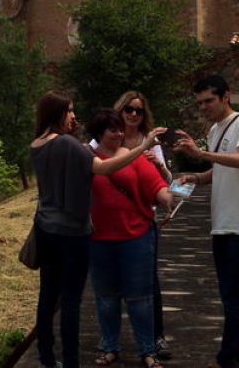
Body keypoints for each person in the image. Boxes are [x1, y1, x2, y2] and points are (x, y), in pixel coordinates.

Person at [30, 91, 156, 368]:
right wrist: (142, 147)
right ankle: (72, 361)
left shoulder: (36, 144)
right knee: (71, 300)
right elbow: (104, 167)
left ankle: (47, 358)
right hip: (71, 232)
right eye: (70, 111)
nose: (74, 117)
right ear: (57, 114)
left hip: (45, 227)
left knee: (47, 295)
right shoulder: (68, 144)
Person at [175, 75, 239, 368]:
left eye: (208, 101)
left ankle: (226, 357)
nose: (203, 107)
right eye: (199, 102)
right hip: (222, 222)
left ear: (226, 96)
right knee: (232, 293)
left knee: (231, 293)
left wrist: (200, 153)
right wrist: (197, 177)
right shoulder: (215, 129)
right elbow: (221, 169)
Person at [86, 108, 172, 368]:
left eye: (121, 129)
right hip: (99, 239)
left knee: (140, 298)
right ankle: (110, 346)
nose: (120, 133)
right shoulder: (87, 158)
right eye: (113, 129)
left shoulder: (135, 158)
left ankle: (147, 350)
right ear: (100, 132)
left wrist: (172, 198)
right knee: (106, 298)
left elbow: (158, 188)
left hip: (136, 236)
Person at [113, 91, 172, 359]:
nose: (133, 114)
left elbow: (167, 180)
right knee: (111, 283)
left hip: (144, 217)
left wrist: (159, 165)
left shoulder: (152, 141)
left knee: (149, 281)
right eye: (128, 109)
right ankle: (110, 340)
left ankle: (156, 337)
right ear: (121, 110)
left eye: (138, 110)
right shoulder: (110, 136)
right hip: (113, 219)